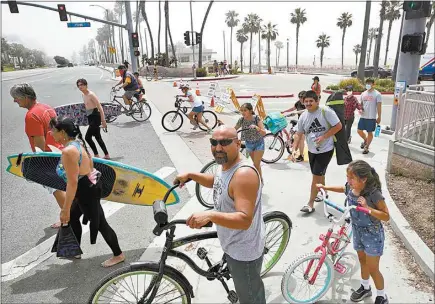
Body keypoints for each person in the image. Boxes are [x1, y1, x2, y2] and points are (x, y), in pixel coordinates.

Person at [174, 125, 266, 304]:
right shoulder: (225, 165)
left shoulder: (244, 174)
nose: (218, 147)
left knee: (251, 297)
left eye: (224, 142)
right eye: (213, 142)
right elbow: (218, 183)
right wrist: (192, 175)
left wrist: (211, 216)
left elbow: (244, 219)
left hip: (243, 251)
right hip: (231, 240)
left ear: (238, 144)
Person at [49, 116, 125, 267]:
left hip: (85, 191)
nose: (51, 133)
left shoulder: (69, 151)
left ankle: (118, 254)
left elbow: (72, 183)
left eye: (53, 130)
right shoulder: (77, 144)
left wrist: (64, 209)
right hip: (88, 186)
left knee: (101, 223)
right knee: (73, 217)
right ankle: (74, 250)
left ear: (62, 132)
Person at [316, 160, 390, 304]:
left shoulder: (374, 194)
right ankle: (365, 287)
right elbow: (341, 189)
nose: (348, 181)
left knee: (373, 268)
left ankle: (381, 296)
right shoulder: (351, 188)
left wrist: (368, 207)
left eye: (351, 178)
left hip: (373, 235)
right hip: (358, 231)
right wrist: (325, 187)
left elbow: (386, 216)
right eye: (347, 177)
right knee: (362, 261)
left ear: (363, 179)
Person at [10, 83, 65, 229]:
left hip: (48, 157)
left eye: (16, 98)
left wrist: (39, 166)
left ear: (26, 98)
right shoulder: (47, 107)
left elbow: (39, 145)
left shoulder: (31, 115)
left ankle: (67, 218)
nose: (15, 101)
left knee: (55, 188)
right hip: (59, 151)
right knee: (64, 185)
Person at [291, 90, 342, 213]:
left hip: (326, 150)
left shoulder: (325, 111)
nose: (308, 103)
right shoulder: (304, 116)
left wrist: (324, 136)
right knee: (320, 174)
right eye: (306, 101)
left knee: (315, 177)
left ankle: (310, 204)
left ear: (317, 101)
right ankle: (324, 191)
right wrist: (294, 149)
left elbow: (338, 126)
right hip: (312, 150)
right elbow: (298, 134)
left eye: (311, 101)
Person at [76, 79, 110, 159]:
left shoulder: (91, 94)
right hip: (90, 116)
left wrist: (103, 121)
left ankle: (96, 155)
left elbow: (100, 107)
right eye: (78, 85)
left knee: (88, 137)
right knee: (98, 137)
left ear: (86, 85)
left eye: (82, 85)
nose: (80, 87)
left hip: (95, 116)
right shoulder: (83, 95)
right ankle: (106, 155)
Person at [235, 103, 267, 181]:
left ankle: (259, 182)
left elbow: (264, 132)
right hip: (249, 144)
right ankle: (260, 180)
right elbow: (234, 129)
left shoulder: (256, 118)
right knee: (256, 165)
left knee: (256, 164)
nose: (243, 112)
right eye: (241, 111)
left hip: (259, 143)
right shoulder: (241, 120)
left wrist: (256, 127)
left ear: (250, 111)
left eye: (245, 110)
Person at [357, 78, 382, 154]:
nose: (368, 85)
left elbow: (379, 106)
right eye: (367, 83)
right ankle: (365, 140)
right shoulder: (363, 93)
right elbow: (360, 104)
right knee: (359, 131)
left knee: (370, 132)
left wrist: (379, 117)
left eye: (370, 83)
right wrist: (360, 109)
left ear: (373, 84)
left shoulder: (377, 94)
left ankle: (366, 147)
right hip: (363, 116)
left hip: (371, 117)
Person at [281, 90, 307, 162]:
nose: (301, 99)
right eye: (300, 97)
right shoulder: (298, 103)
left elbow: (306, 110)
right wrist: (285, 111)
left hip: (306, 124)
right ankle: (301, 155)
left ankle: (300, 154)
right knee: (300, 139)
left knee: (301, 139)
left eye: (302, 98)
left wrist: (297, 112)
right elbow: (293, 108)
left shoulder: (307, 103)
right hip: (300, 123)